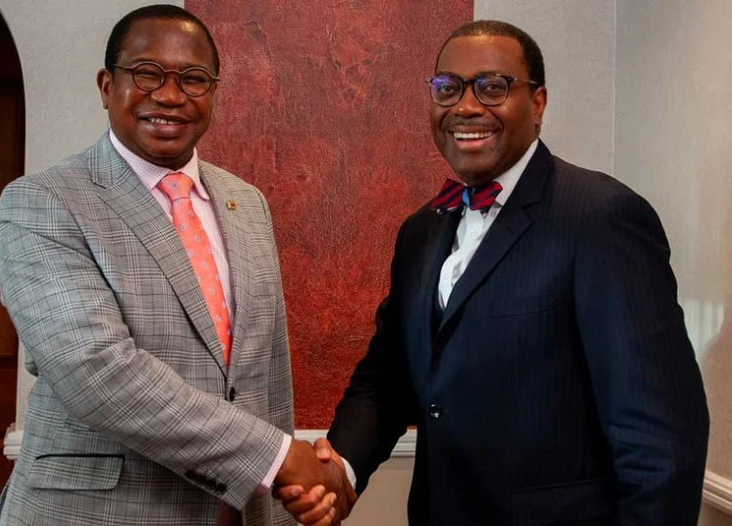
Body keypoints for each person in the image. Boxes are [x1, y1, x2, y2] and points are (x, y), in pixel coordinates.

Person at [277, 20, 710, 526]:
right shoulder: (421, 231)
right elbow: (388, 378)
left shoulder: (600, 217)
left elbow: (660, 441)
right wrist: (342, 471)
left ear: (539, 103)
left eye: (493, 86)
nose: (465, 106)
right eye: (448, 87)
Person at [0, 5, 347, 526]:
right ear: (106, 84)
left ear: (214, 92)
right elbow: (96, 372)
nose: (170, 95)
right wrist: (276, 457)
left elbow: (265, 371)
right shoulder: (42, 201)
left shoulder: (246, 202)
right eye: (147, 74)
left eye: (194, 79)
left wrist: (287, 490)